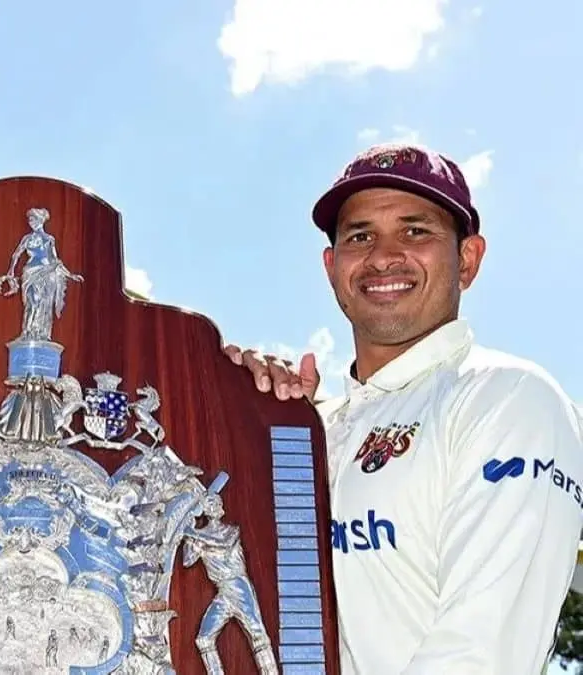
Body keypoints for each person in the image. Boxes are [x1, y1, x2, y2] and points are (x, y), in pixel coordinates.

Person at [228, 142, 583, 673]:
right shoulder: (313, 427)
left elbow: (480, 653)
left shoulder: (507, 397)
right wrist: (229, 411)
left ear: (467, 259)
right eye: (360, 235)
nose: (383, 256)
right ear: (332, 266)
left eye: (416, 231)